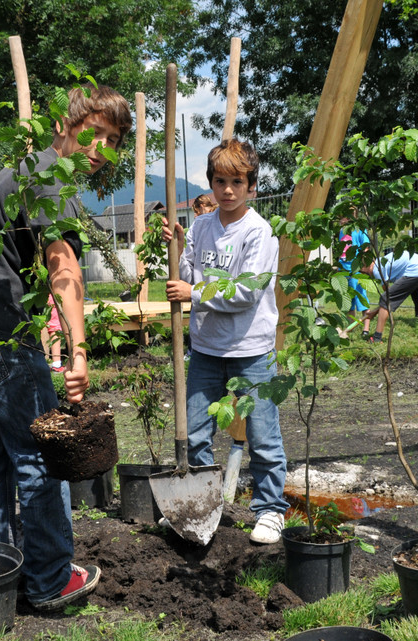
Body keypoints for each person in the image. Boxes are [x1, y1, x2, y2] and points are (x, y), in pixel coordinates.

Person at [0, 85, 132, 611]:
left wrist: (51, 335)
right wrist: (80, 353)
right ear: (66, 126)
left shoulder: (28, 172)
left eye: (111, 141)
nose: (99, 149)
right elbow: (65, 273)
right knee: (42, 452)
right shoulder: (47, 180)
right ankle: (48, 579)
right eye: (92, 133)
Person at [161, 138, 289, 545]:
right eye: (220, 181)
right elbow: (188, 272)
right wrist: (178, 246)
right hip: (206, 352)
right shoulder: (201, 225)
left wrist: (193, 293)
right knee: (195, 432)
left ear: (252, 186)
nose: (228, 190)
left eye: (237, 181)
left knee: (263, 435)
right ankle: (201, 504)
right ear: (211, 185)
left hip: (251, 351)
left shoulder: (259, 232)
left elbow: (246, 292)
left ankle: (270, 510)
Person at [361, 250, 418, 342]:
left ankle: (377, 338)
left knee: (385, 298)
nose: (362, 273)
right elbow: (392, 298)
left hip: (415, 270)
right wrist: (376, 311)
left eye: (361, 270)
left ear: (366, 265)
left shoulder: (376, 268)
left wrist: (375, 311)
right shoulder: (381, 262)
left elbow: (387, 298)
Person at [337, 223, 371, 337]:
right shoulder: (342, 230)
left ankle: (366, 330)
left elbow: (365, 248)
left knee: (361, 298)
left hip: (356, 269)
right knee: (348, 300)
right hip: (343, 269)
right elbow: (341, 250)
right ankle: (349, 329)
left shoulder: (360, 229)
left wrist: (364, 266)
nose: (341, 220)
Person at [39, 294, 64, 372]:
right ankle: (56, 364)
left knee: (35, 325)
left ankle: (37, 361)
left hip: (33, 293)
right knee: (54, 327)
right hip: (50, 293)